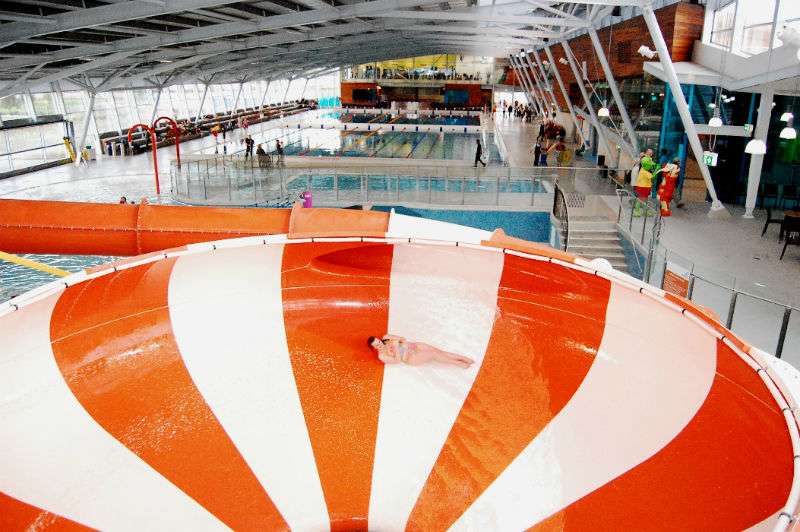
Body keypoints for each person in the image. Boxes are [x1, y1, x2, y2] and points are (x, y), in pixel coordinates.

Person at [368, 335, 474, 368]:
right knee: (434, 354)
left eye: (379, 341)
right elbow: (398, 361)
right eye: (377, 345)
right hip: (411, 357)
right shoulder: (382, 356)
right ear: (374, 348)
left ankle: (465, 359)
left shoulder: (386, 338)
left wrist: (395, 341)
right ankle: (460, 364)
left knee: (439, 351)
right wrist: (396, 349)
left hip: (414, 346)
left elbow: (403, 339)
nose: (380, 344)